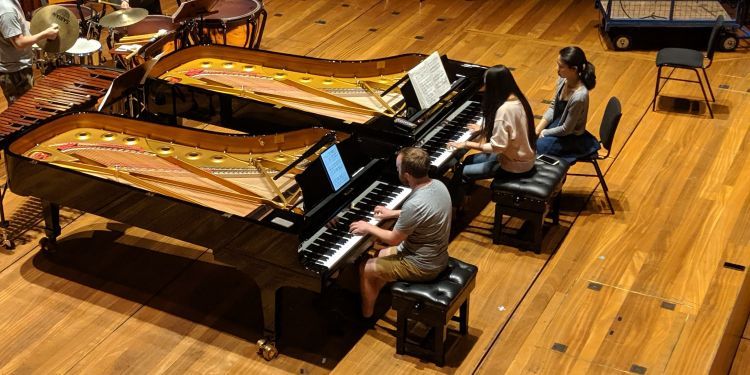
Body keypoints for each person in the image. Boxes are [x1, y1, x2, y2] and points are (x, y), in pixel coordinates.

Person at [349, 147, 452, 319]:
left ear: (407, 175)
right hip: (437, 256)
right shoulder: (438, 185)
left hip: (423, 266)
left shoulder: (414, 203)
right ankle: (375, 293)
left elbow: (393, 239)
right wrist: (393, 213)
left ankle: (365, 316)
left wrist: (368, 227)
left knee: (365, 268)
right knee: (380, 254)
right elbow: (423, 212)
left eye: (398, 168)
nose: (397, 170)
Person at [447, 64, 537, 207]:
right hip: (524, 156)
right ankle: (466, 196)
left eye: (486, 84)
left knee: (462, 171)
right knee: (469, 159)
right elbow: (511, 130)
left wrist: (465, 144)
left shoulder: (504, 110)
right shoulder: (518, 98)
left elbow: (497, 147)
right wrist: (484, 129)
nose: (484, 87)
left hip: (514, 166)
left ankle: (454, 207)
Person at [535, 46, 599, 163]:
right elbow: (553, 106)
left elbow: (566, 129)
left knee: (537, 147)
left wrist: (544, 132)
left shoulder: (579, 96)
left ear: (574, 69)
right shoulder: (562, 80)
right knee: (529, 137)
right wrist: (538, 129)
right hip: (557, 126)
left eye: (561, 66)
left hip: (570, 137)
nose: (557, 69)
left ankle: (555, 178)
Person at [0, 0, 58, 105]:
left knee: (26, 105)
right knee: (20, 110)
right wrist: (45, 34)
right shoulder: (7, 11)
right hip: (14, 71)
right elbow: (19, 43)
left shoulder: (12, 2)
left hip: (18, 65)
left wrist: (41, 27)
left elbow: (20, 24)